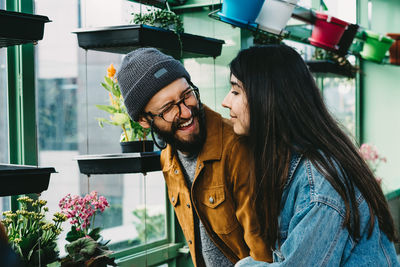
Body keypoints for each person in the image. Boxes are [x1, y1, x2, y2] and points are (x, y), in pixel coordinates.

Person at [221, 44, 399, 266]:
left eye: (236, 91)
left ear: (267, 96)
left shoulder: (319, 181)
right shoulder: (294, 161)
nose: (226, 101)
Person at [116, 47, 271, 266]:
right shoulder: (168, 157)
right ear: (143, 120)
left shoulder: (237, 147)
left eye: (187, 95)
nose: (187, 112)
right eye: (169, 108)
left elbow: (262, 248)